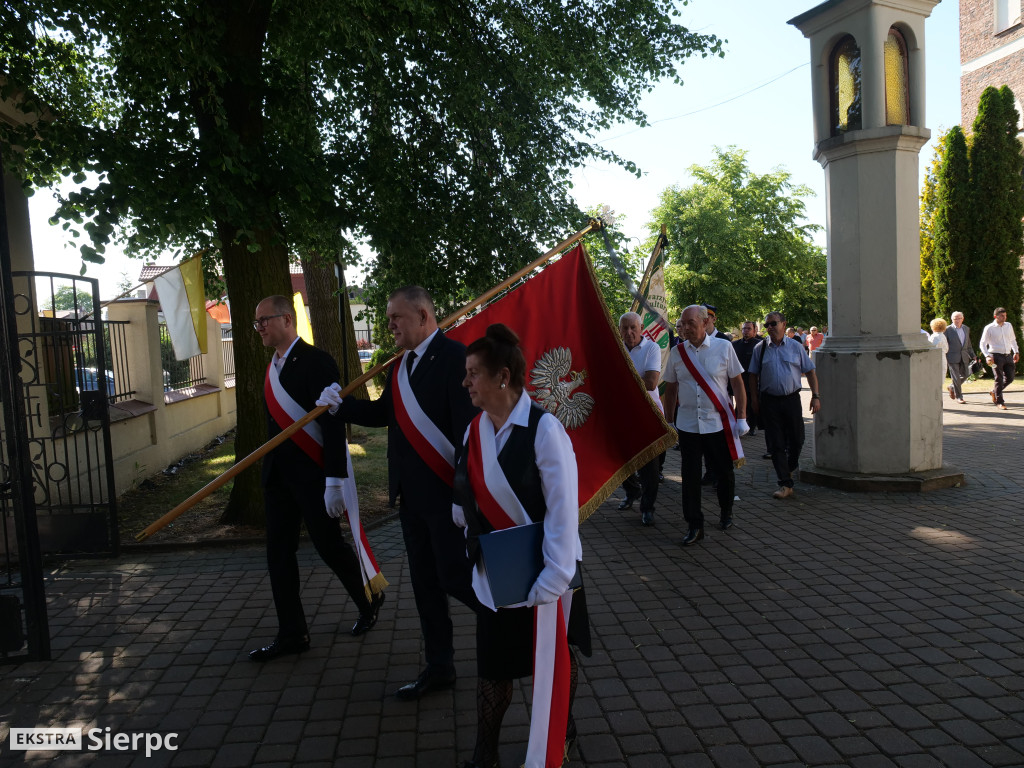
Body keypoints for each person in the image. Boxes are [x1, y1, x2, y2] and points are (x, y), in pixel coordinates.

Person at [317, 286, 481, 698]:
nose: (389, 325)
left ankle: (514, 625)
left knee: (456, 579)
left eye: (396, 318)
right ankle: (440, 665)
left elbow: (469, 433)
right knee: (425, 585)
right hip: (411, 497)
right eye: (389, 318)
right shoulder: (399, 366)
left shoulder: (456, 359)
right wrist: (342, 406)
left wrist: (464, 493)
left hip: (446, 497)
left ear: (424, 317)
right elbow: (384, 414)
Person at [453, 323, 590, 768]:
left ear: (503, 378)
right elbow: (466, 491)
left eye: (474, 373)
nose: (466, 382)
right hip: (498, 574)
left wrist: (554, 576)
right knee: (493, 667)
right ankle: (484, 751)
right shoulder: (474, 430)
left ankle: (561, 732)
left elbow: (563, 510)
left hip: (548, 569)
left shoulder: (544, 428)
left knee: (551, 659)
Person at [249, 295, 383, 662]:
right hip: (278, 477)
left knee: (328, 547)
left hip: (312, 475)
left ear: (287, 319)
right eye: (256, 322)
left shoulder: (317, 361)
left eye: (265, 320)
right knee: (278, 554)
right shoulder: (272, 366)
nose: (259, 327)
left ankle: (370, 598)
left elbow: (333, 421)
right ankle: (293, 633)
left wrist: (335, 479)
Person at [662, 305, 748, 545]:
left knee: (723, 472)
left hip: (716, 424)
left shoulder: (724, 347)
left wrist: (741, 417)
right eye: (683, 323)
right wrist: (670, 421)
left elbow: (738, 385)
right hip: (688, 425)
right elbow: (671, 389)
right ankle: (694, 524)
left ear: (704, 323)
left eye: (690, 323)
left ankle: (726, 510)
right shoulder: (678, 353)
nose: (685, 328)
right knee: (689, 477)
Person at [748, 311, 820, 500]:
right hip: (769, 401)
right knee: (776, 443)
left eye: (773, 324)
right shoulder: (760, 348)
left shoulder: (796, 347)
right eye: (767, 325)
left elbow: (810, 372)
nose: (770, 328)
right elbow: (752, 375)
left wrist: (815, 396)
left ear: (783, 324)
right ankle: (785, 483)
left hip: (792, 400)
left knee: (797, 440)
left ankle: (788, 467)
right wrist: (754, 401)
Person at [616, 312, 663, 526]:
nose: (629, 332)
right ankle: (632, 490)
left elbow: (651, 382)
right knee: (620, 459)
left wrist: (621, 380)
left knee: (649, 465)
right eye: (624, 328)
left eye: (633, 328)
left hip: (647, 412)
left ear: (641, 327)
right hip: (623, 413)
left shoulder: (652, 348)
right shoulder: (615, 349)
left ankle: (647, 508)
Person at [979, 306, 1020, 410]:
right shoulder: (989, 328)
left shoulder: (1008, 325)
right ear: (995, 316)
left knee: (1010, 378)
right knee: (999, 378)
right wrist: (987, 356)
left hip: (1008, 355)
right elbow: (982, 344)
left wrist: (1016, 351)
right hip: (995, 357)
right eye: (1002, 316)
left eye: (1005, 316)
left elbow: (1013, 340)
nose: (1004, 318)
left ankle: (994, 392)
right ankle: (999, 402)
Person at [732, 321, 762, 437]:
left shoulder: (759, 345)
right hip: (739, 380)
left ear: (754, 331)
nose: (746, 331)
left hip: (753, 381)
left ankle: (753, 426)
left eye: (749, 329)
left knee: (752, 403)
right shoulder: (735, 345)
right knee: (739, 404)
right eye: (744, 329)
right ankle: (737, 424)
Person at [944, 311, 976, 404]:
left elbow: (968, 344)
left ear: (963, 319)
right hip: (951, 357)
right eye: (955, 318)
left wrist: (973, 355)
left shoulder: (966, 328)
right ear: (951, 319)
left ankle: (952, 387)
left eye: (959, 318)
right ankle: (959, 396)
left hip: (964, 356)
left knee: (966, 374)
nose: (957, 320)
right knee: (956, 377)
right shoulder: (947, 330)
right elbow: (945, 344)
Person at [928, 318, 950, 390]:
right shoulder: (943, 336)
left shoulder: (933, 337)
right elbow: (946, 349)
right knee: (941, 378)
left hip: (934, 359)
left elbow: (929, 349)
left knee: (933, 379)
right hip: (943, 358)